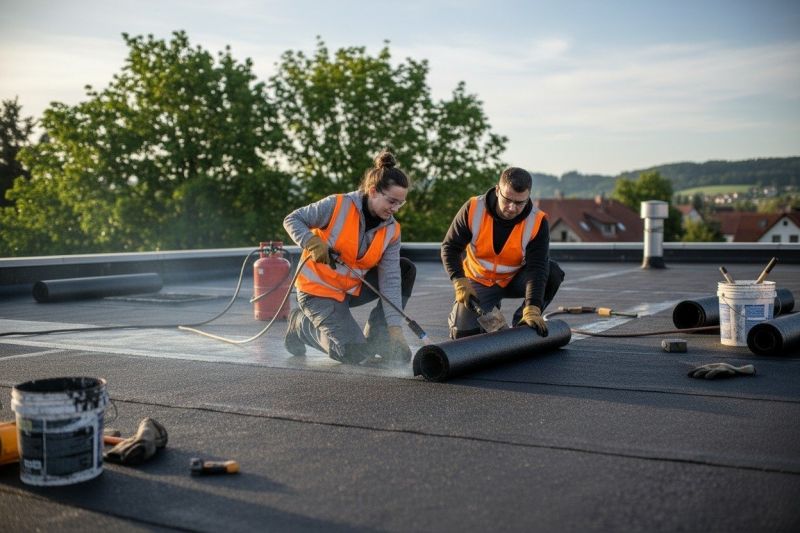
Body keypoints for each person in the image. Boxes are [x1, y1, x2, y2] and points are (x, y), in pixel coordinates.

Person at [282, 149, 415, 365]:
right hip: (317, 292)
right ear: (373, 191)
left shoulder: (392, 230)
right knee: (353, 354)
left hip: (349, 290)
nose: (395, 209)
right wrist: (312, 242)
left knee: (405, 269)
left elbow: (390, 280)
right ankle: (300, 325)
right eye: (391, 201)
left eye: (401, 203)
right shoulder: (338, 205)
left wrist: (394, 329)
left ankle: (377, 337)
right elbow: (292, 219)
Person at [441, 167, 564, 339]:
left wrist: (532, 306)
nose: (512, 208)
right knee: (462, 335)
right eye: (507, 200)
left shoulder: (537, 221)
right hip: (479, 281)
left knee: (553, 272)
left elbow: (537, 268)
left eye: (520, 202)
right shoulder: (474, 208)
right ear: (498, 190)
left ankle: (522, 322)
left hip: (513, 280)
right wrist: (459, 281)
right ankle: (489, 308)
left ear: (528, 196)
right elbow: (450, 247)